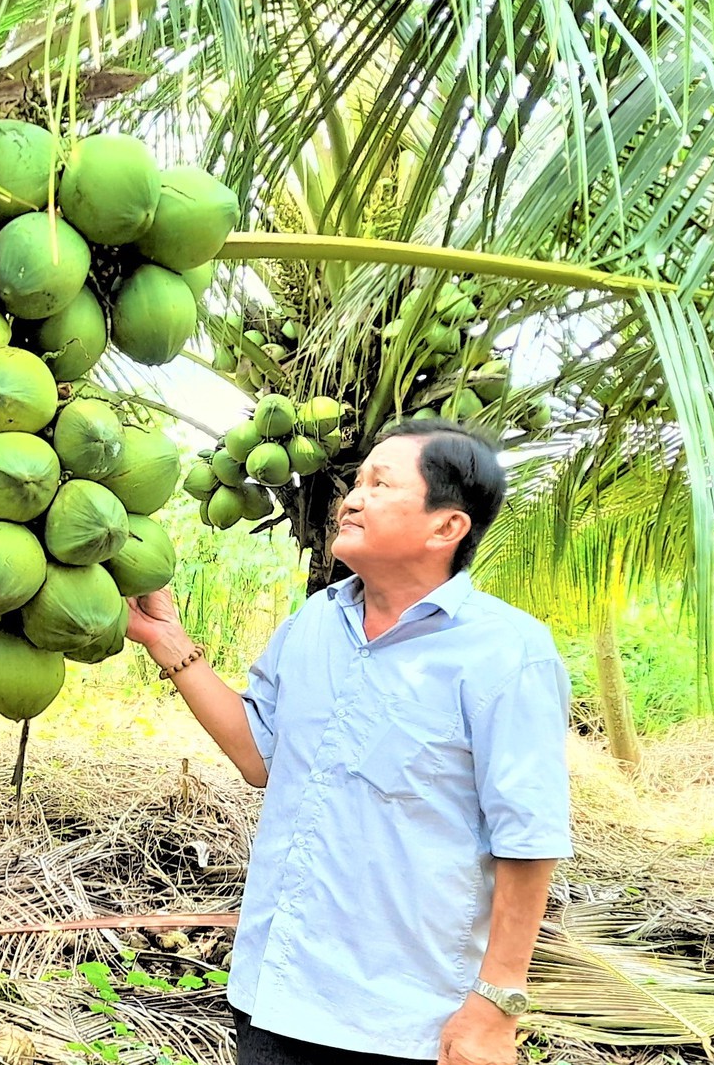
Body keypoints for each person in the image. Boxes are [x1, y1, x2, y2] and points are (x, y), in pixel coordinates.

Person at [126, 419, 572, 1065]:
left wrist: (496, 1004)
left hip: (397, 1024)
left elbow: (528, 840)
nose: (351, 498)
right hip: (273, 996)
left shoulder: (508, 653)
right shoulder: (316, 621)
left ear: (447, 527)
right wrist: (169, 642)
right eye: (356, 482)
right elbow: (259, 754)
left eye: (380, 484)